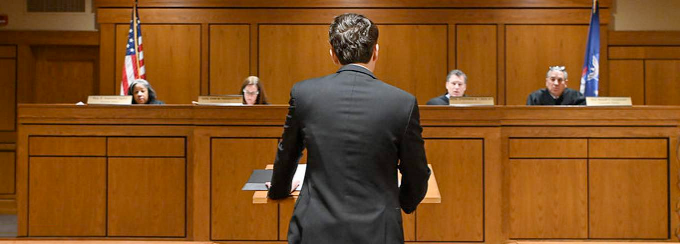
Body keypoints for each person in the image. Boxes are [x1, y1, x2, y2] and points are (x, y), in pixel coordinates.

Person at [267, 13, 431, 244]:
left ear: (333, 54)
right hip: (379, 231)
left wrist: (279, 190)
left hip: (314, 228)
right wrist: (401, 203)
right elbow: (417, 173)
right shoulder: (402, 102)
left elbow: (287, 154)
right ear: (376, 51)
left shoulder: (304, 94)